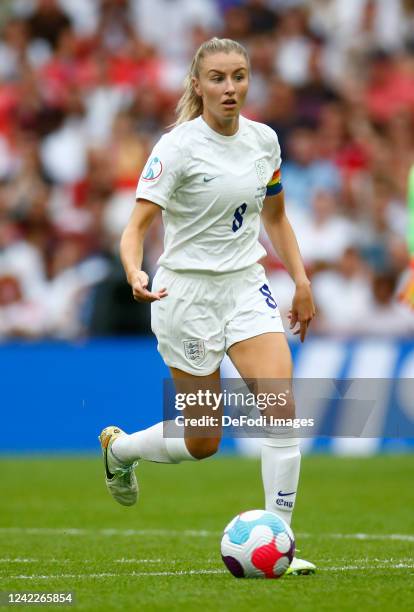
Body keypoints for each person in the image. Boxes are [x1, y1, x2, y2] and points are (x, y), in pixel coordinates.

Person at [99, 37, 316, 576]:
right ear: (197, 85)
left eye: (239, 76)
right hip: (186, 294)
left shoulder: (265, 141)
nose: (230, 88)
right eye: (218, 78)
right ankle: (122, 451)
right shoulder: (176, 148)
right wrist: (134, 270)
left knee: (281, 408)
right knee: (202, 439)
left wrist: (302, 280)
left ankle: (280, 538)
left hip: (245, 284)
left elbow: (276, 217)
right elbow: (135, 228)